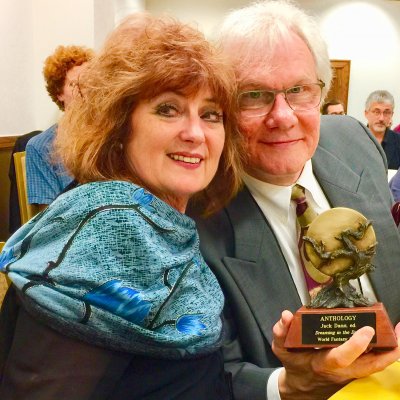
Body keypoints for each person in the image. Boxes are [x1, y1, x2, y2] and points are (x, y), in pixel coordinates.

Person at [0, 13, 243, 399]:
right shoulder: (106, 235)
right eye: (168, 109)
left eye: (210, 114)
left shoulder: (162, 225)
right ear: (118, 126)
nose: (196, 133)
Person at [190, 1, 400, 399]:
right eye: (254, 95)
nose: (283, 116)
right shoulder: (193, 217)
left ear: (321, 91)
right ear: (221, 104)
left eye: (299, 90)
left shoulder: (355, 141)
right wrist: (290, 387)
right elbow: (209, 376)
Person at [25, 45, 94, 211]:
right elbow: (50, 220)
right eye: (74, 85)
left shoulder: (109, 136)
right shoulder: (40, 147)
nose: (84, 91)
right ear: (59, 93)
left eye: (89, 83)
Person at [364, 90, 400, 169]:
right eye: (376, 112)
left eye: (386, 113)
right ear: (366, 113)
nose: (381, 118)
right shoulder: (354, 140)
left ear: (392, 115)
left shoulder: (398, 141)